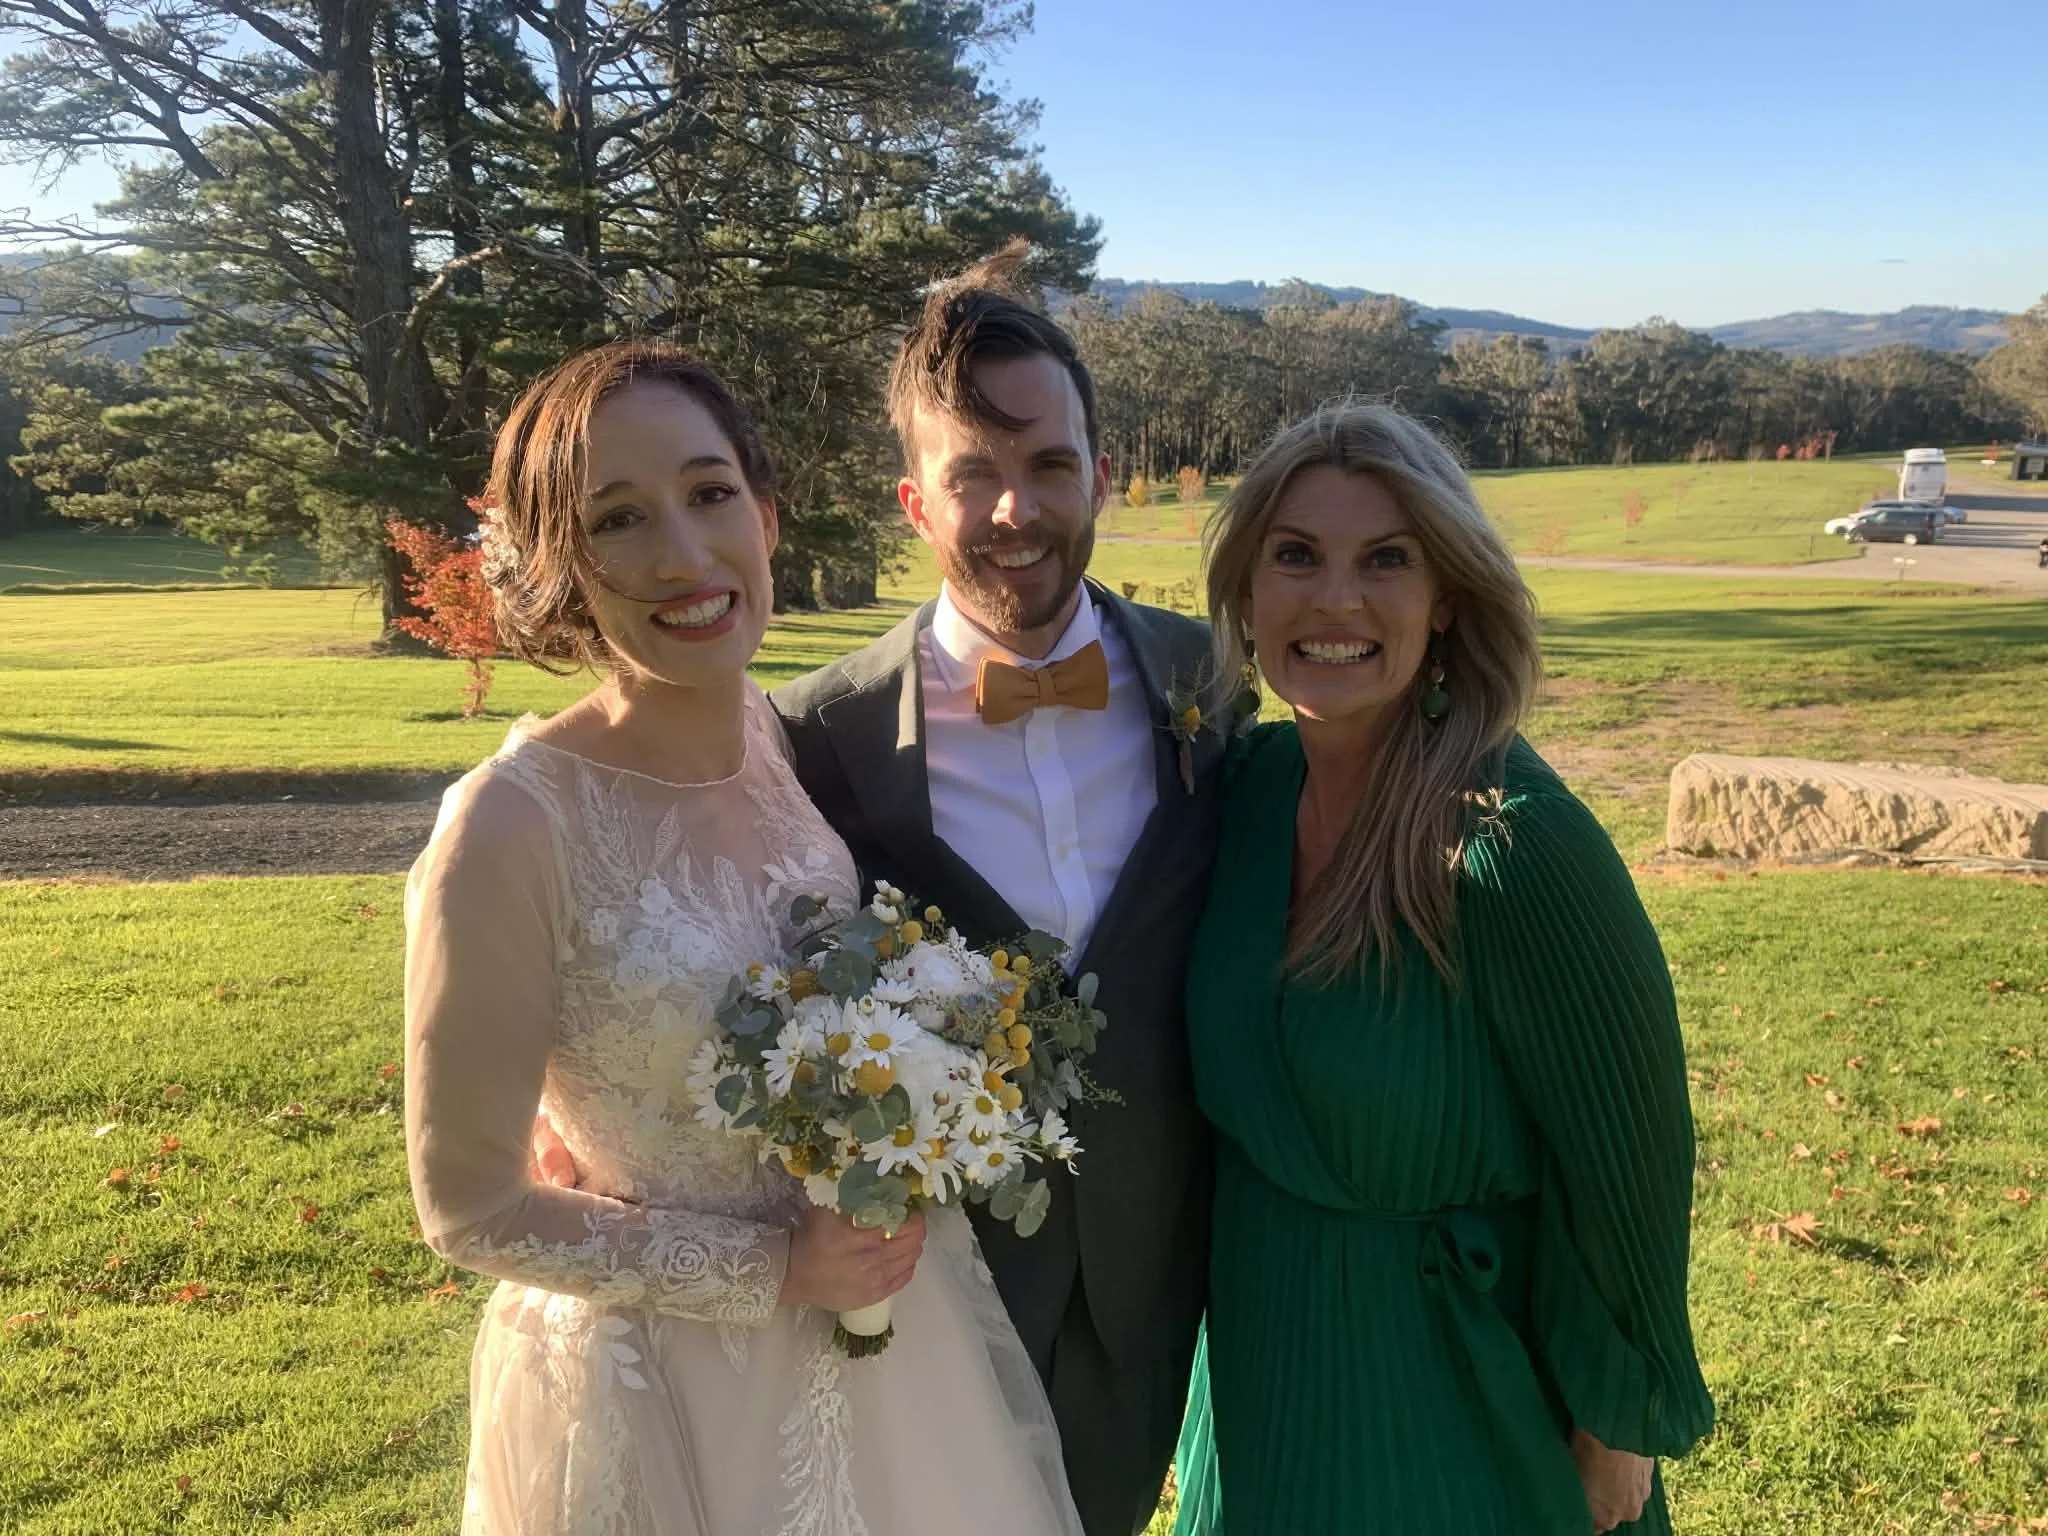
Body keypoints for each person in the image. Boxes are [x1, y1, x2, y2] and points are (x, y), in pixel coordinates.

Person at [533, 248, 1233, 1535]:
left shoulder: (1215, 684)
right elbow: (691, 919)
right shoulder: (811, 735)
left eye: (1048, 468)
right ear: (915, 503)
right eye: (973, 476)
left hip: (1161, 1268)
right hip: (922, 1290)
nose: (1014, 510)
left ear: (1101, 475)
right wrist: (570, 1110)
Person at [403, 340, 1083, 1536]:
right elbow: (465, 1205)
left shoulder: (776, 742)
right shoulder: (511, 825)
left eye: (708, 493)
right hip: (667, 1399)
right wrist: (772, 1273)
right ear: (560, 564)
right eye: (617, 519)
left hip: (884, 1354)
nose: (682, 554)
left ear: (764, 516)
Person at [1171, 402, 1714, 1535]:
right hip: (1261, 1368)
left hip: (1448, 1387)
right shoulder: (1246, 791)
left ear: (1447, 598)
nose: (1333, 601)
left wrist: (1616, 1425)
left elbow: (1631, 1158)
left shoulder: (1511, 843)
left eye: (1385, 561)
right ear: (1244, 592)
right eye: (1293, 557)